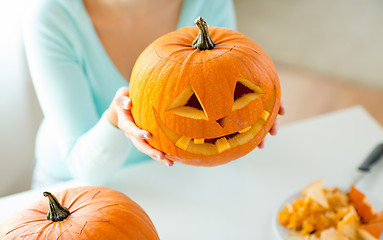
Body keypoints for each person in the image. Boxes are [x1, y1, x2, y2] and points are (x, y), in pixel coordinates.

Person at [24, 0, 285, 188]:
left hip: (181, 172)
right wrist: (117, 120)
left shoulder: (208, 3)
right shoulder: (51, 17)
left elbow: (228, 78)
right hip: (76, 182)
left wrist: (255, 100)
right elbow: (85, 171)